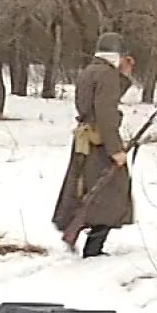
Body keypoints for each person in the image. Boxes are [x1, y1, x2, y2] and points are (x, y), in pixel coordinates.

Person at [52, 31, 136, 257]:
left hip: (86, 143)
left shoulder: (90, 71)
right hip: (100, 144)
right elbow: (106, 114)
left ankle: (79, 232)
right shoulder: (107, 75)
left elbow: (99, 103)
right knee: (109, 194)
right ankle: (94, 248)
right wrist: (116, 150)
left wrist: (123, 76)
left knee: (87, 191)